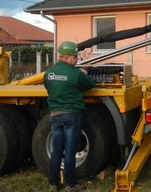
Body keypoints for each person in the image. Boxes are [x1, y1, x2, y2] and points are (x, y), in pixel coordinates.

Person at [43, 41, 95, 191]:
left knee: (57, 151)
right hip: (71, 116)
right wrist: (85, 73)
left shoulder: (49, 73)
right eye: (75, 57)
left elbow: (49, 87)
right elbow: (89, 84)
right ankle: (70, 184)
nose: (77, 59)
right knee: (70, 151)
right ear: (66, 57)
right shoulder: (75, 74)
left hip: (55, 116)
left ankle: (53, 183)